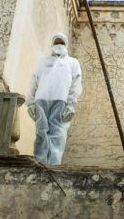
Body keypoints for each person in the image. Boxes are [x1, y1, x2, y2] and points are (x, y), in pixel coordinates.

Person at [26, 32, 82, 165]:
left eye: (61, 43)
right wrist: (30, 102)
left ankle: (54, 164)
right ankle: (39, 162)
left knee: (58, 132)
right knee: (41, 131)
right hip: (41, 99)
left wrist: (71, 103)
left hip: (61, 100)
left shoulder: (72, 62)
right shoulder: (44, 61)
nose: (59, 45)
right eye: (56, 43)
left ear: (66, 44)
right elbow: (34, 80)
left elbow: (76, 82)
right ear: (52, 45)